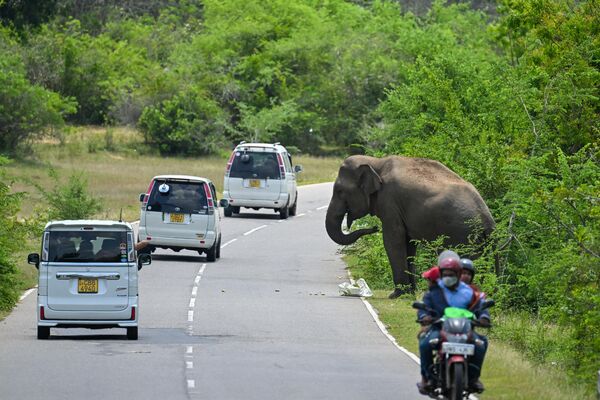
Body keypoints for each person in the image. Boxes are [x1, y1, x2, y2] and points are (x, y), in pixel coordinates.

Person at [416, 257, 490, 395]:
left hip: (465, 329)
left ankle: (473, 378)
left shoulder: (470, 292)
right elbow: (425, 307)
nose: (449, 277)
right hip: (440, 328)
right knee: (425, 344)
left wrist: (484, 318)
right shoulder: (435, 290)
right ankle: (427, 378)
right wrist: (424, 317)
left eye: (452, 274)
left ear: (458, 274)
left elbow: (480, 307)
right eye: (446, 274)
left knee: (481, 344)